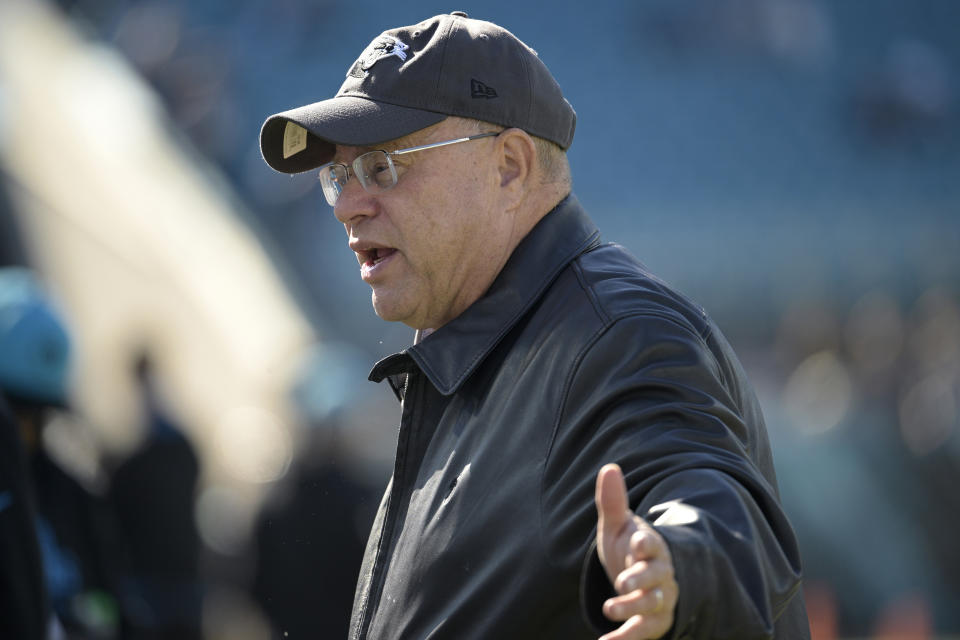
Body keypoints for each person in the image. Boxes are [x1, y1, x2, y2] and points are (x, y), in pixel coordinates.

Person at [259, 12, 809, 640]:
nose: (349, 206)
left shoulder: (616, 335)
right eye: (339, 176)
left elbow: (708, 495)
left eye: (383, 165)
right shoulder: (478, 354)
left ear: (510, 166)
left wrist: (676, 568)